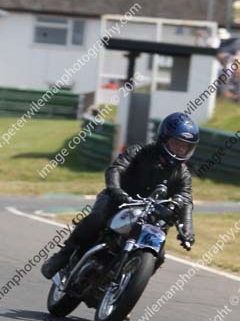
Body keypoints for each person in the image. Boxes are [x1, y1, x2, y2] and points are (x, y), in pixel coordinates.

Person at [41, 112, 198, 280]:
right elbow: (116, 168)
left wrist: (187, 229)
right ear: (164, 139)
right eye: (176, 144)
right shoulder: (140, 152)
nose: (180, 149)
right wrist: (116, 190)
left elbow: (186, 199)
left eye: (185, 147)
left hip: (150, 215)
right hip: (119, 201)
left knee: (158, 256)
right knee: (97, 218)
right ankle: (64, 255)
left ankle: (127, 281)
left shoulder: (183, 173)